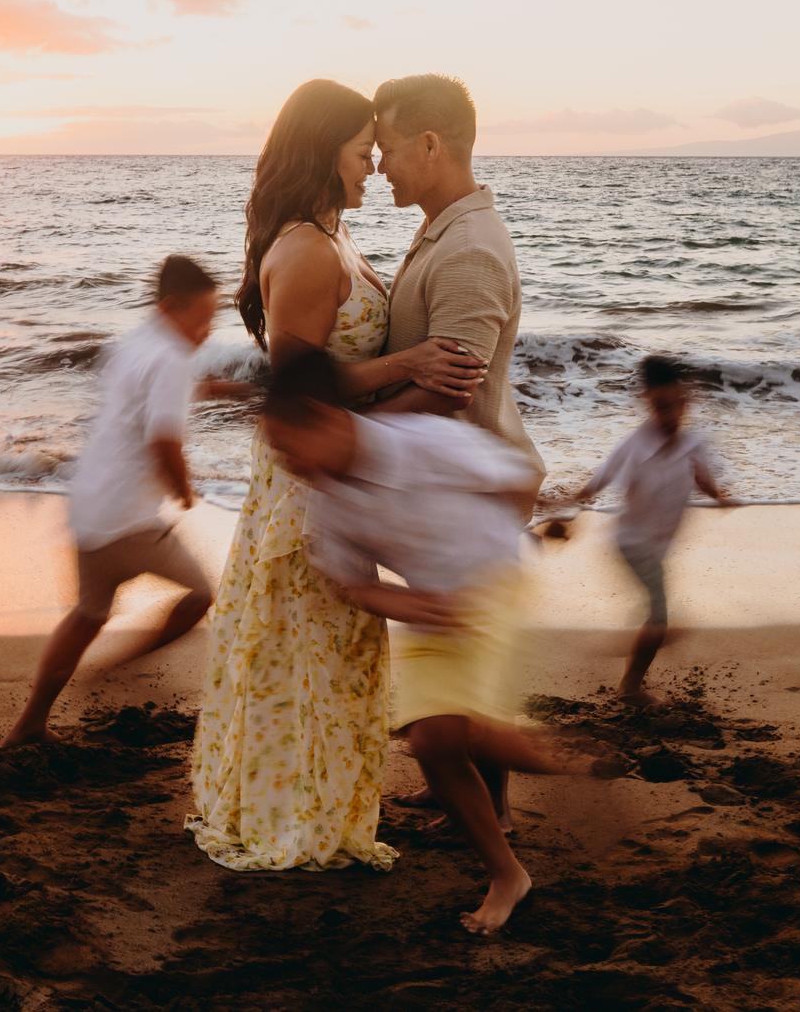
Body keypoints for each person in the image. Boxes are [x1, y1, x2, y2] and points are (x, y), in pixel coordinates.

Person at [187, 80, 487, 872]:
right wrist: (406, 362)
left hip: (332, 473)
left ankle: (322, 806)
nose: (371, 167)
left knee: (337, 654)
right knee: (309, 653)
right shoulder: (309, 249)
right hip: (305, 482)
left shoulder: (332, 237)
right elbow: (300, 385)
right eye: (361, 152)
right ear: (325, 153)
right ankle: (297, 817)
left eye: (375, 151)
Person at [262, 348, 604, 936]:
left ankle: (539, 759)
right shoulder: (327, 500)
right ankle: (509, 869)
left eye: (289, 446)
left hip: (494, 584)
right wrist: (408, 603)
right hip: (431, 605)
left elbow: (515, 475)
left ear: (324, 417)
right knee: (437, 743)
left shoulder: (422, 442)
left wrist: (544, 518)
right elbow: (349, 583)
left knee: (442, 732)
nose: (287, 464)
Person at [371, 73, 544, 824]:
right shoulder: (447, 226)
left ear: (430, 143)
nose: (379, 167)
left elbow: (452, 388)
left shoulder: (470, 247)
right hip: (446, 485)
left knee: (461, 657)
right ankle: (462, 792)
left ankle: (492, 811)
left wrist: (353, 438)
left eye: (386, 148)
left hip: (467, 487)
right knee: (448, 646)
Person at [0, 255, 223, 748]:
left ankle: (30, 724)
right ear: (170, 307)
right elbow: (164, 441)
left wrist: (217, 389)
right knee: (201, 596)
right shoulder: (172, 357)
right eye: (203, 317)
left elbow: (146, 400)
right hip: (132, 519)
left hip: (92, 506)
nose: (208, 329)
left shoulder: (137, 343)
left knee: (87, 615)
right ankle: (125, 668)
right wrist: (184, 493)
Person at [570, 354, 736, 705]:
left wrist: (720, 495)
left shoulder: (694, 444)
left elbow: (704, 479)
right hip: (631, 543)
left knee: (657, 616)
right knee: (658, 616)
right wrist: (562, 505)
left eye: (676, 405)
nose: (670, 415)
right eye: (661, 407)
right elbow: (597, 482)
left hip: (657, 545)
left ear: (686, 402)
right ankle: (629, 686)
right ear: (648, 403)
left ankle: (645, 642)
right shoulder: (634, 445)